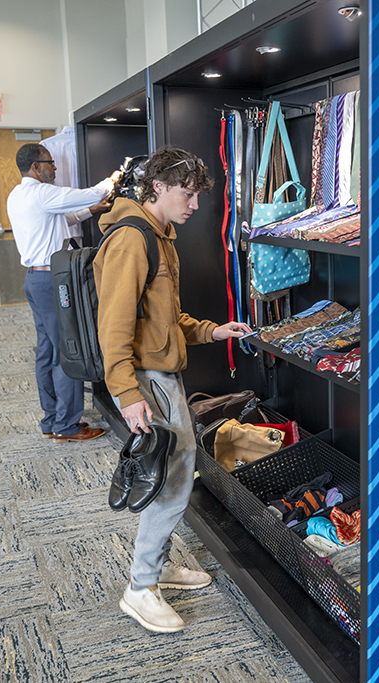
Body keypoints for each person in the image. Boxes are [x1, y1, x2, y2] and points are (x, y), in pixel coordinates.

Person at [93, 148, 251, 632]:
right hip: (146, 380)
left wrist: (211, 331)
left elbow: (165, 317)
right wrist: (126, 393)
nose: (196, 205)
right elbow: (113, 326)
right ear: (157, 188)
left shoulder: (157, 235)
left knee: (173, 474)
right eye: (188, 193)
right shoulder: (131, 239)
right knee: (175, 478)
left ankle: (156, 567)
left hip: (160, 375)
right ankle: (141, 588)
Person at [6, 143, 120, 442]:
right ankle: (66, 426)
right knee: (68, 350)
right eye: (50, 163)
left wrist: (90, 212)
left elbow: (57, 220)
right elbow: (91, 192)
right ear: (35, 166)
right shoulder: (42, 194)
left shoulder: (18, 196)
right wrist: (114, 179)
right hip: (52, 282)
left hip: (35, 280)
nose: (55, 168)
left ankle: (50, 420)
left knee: (46, 352)